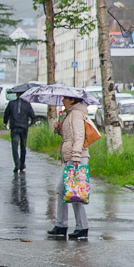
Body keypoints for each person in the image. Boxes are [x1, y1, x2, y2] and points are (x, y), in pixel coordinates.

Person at [47, 96, 89, 241]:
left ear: (72, 100)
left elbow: (79, 136)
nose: (63, 100)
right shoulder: (70, 114)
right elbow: (69, 136)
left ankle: (81, 227)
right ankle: (62, 225)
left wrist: (76, 156)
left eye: (65, 98)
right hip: (72, 157)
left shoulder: (76, 114)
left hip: (76, 157)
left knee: (75, 193)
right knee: (63, 190)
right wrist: (59, 129)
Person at [3, 92, 36, 172]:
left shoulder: (11, 103)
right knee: (23, 146)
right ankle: (22, 164)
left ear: (16, 95)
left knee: (14, 146)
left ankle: (17, 164)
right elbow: (33, 117)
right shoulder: (27, 104)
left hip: (14, 127)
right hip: (24, 128)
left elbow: (6, 114)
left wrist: (5, 122)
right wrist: (30, 124)